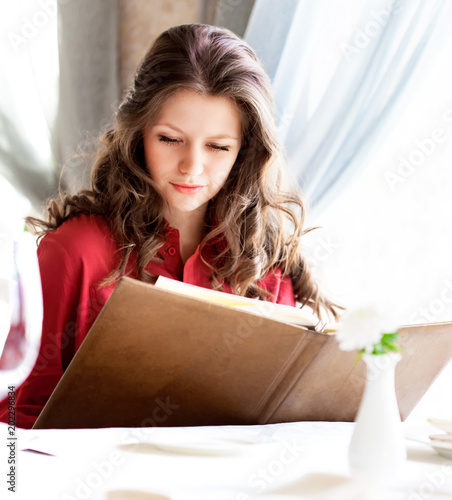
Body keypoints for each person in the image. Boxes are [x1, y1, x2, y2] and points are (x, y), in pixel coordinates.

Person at [0, 23, 339, 428]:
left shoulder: (262, 264)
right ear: (139, 134)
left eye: (217, 147)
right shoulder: (76, 250)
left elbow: (277, 421)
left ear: (246, 153)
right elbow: (15, 418)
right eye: (170, 139)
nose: (192, 167)